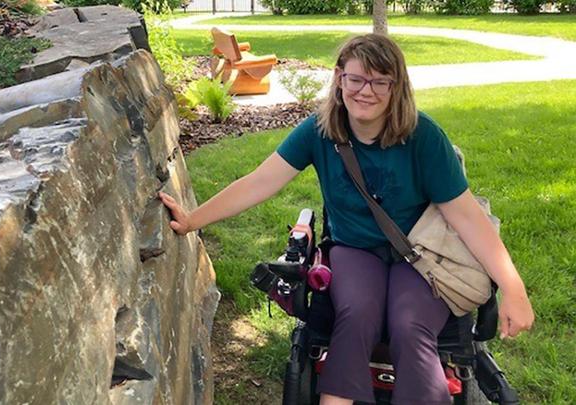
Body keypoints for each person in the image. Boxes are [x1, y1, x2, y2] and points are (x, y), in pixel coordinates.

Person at [159, 34, 534, 405]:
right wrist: (192, 220)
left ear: (396, 86)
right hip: (354, 248)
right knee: (355, 316)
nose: (365, 91)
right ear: (340, 79)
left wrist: (514, 290)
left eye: (379, 81)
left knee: (411, 327)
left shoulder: (423, 138)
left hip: (420, 253)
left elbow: (468, 218)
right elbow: (259, 183)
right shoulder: (319, 132)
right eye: (356, 78)